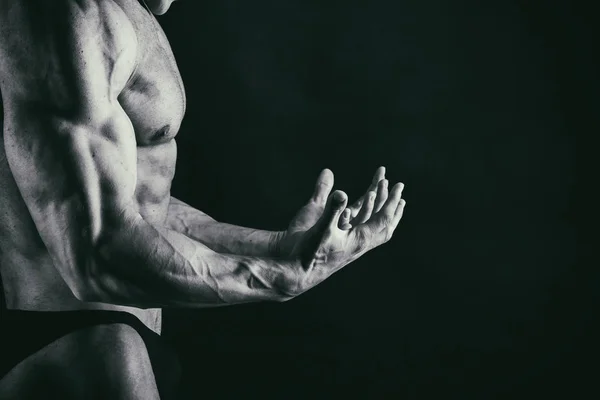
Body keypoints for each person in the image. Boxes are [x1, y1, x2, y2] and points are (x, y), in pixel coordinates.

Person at [0, 0, 406, 398]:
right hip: (76, 346)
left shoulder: (126, 14)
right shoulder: (63, 15)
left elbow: (141, 210)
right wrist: (277, 279)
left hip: (127, 341)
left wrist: (279, 249)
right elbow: (95, 254)